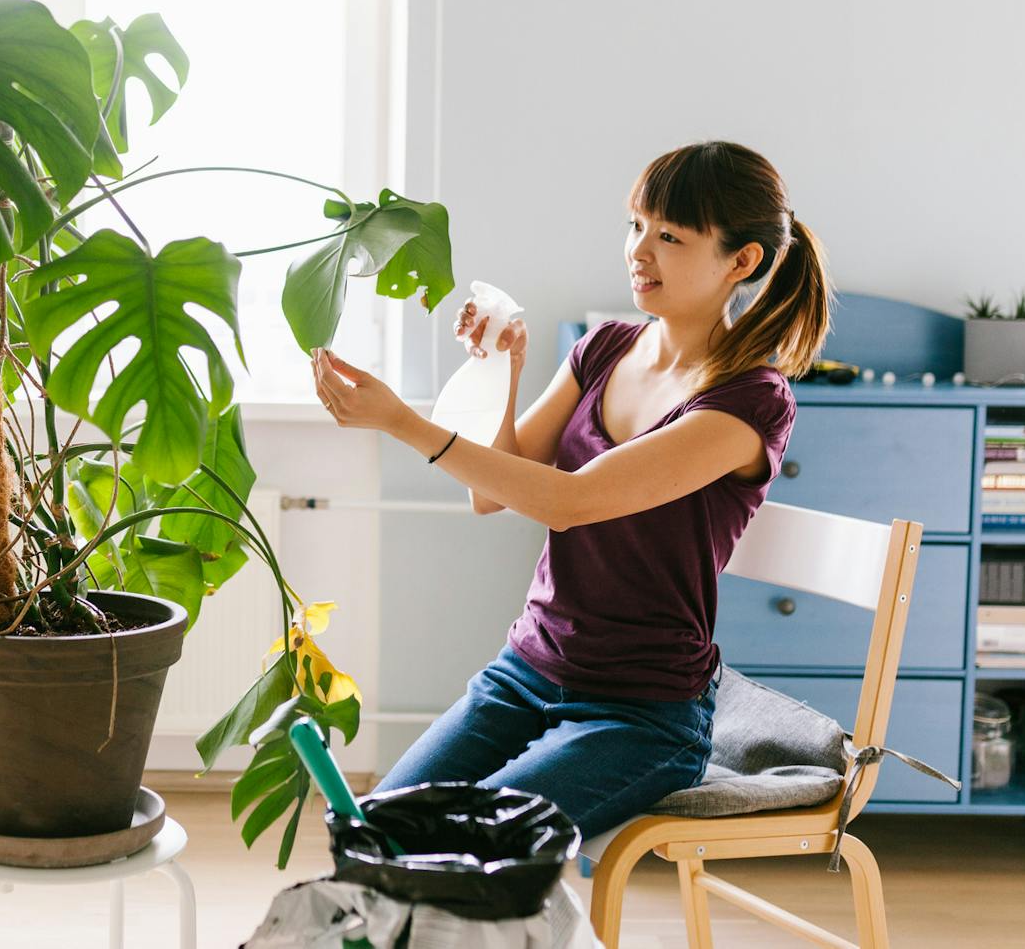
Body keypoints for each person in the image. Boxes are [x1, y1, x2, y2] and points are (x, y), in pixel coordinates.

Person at [309, 140, 832, 839]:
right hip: (524, 672)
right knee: (374, 830)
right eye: (636, 225)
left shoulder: (750, 400)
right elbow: (494, 492)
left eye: (670, 236)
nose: (639, 250)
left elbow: (569, 501)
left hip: (640, 713)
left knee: (454, 843)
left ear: (741, 261)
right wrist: (501, 369)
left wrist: (402, 422)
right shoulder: (604, 347)